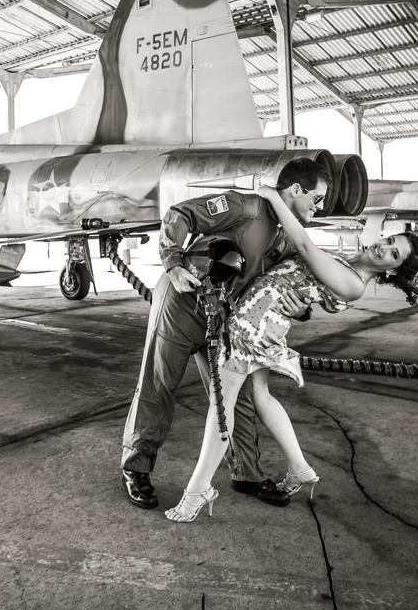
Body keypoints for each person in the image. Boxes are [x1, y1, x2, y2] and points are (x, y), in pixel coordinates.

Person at [165, 184, 418, 522]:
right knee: (260, 395)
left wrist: (274, 197)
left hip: (255, 325)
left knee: (221, 406)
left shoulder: (354, 282)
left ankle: (197, 490)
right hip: (263, 320)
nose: (384, 248)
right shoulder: (347, 263)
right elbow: (303, 285)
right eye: (390, 241)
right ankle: (299, 468)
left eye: (394, 255)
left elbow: (303, 245)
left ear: (393, 271)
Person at [121, 158, 332, 510]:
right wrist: (173, 263)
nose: (320, 206)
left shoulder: (289, 240)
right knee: (159, 385)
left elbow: (289, 290)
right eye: (318, 197)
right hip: (183, 303)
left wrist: (302, 309)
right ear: (296, 190)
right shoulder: (246, 207)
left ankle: (246, 473)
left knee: (238, 397)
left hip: (225, 320)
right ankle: (136, 468)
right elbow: (179, 214)